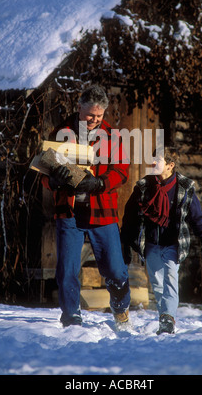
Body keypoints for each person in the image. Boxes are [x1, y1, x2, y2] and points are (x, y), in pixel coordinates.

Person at [41, 85, 131, 328]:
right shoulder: (61, 132)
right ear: (79, 107)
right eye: (90, 114)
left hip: (102, 209)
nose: (94, 120)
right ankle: (71, 318)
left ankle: (121, 308)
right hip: (69, 211)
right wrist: (53, 180)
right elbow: (43, 171)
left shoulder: (113, 137)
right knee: (67, 270)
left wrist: (100, 182)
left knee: (115, 269)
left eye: (99, 116)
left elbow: (122, 172)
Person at [120, 146, 202, 334]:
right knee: (157, 283)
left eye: (158, 160)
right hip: (151, 243)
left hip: (173, 244)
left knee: (170, 278)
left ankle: (167, 319)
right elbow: (130, 216)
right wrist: (126, 241)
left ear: (170, 165)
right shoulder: (144, 186)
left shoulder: (184, 187)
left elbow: (196, 215)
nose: (153, 163)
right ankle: (165, 318)